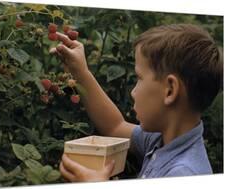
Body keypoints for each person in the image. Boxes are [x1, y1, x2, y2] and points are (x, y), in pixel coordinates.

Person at [49, 24, 223, 182]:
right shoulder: (161, 139)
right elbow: (114, 126)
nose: (133, 92)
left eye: (139, 78)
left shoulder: (183, 175)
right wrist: (80, 72)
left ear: (170, 90)